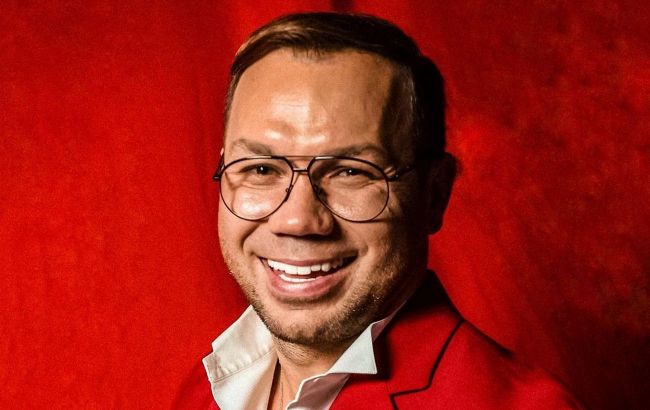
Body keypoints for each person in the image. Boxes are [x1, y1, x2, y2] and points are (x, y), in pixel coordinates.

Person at [174, 12, 584, 410]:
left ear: (434, 194)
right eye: (261, 169)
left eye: (351, 172)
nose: (297, 220)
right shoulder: (210, 389)